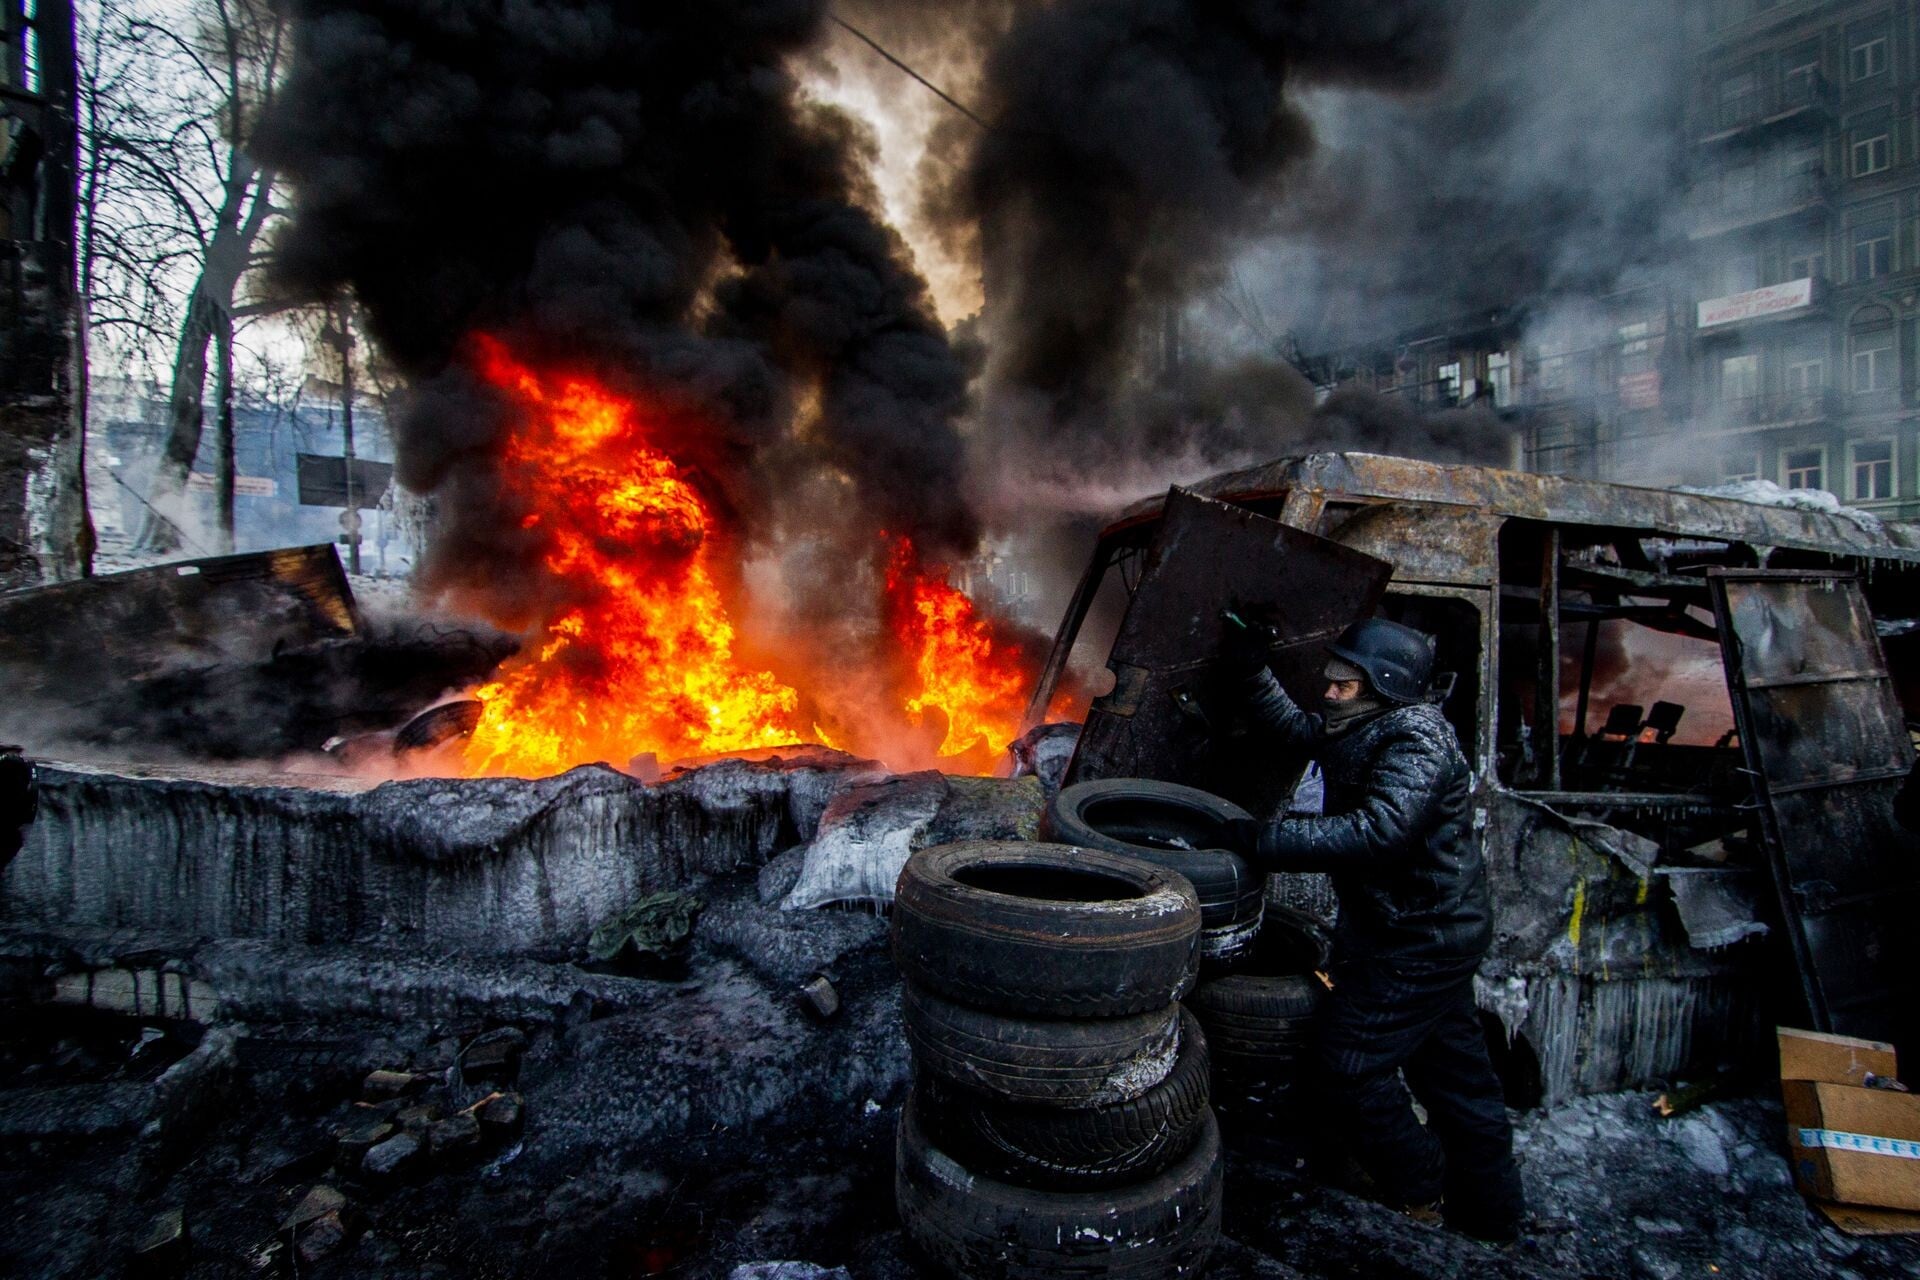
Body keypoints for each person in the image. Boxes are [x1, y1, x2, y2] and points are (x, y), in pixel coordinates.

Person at [1219, 614, 1525, 1243]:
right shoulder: (1364, 724)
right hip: (1422, 929)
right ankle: (1492, 1215)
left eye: (1343, 686)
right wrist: (1253, 668)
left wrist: (1263, 841)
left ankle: (1423, 1187)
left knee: (1349, 1066)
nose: (1328, 694)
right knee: (1457, 1079)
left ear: (1384, 687)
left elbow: (1380, 831)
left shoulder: (1416, 740)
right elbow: (1298, 728)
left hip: (1421, 937)